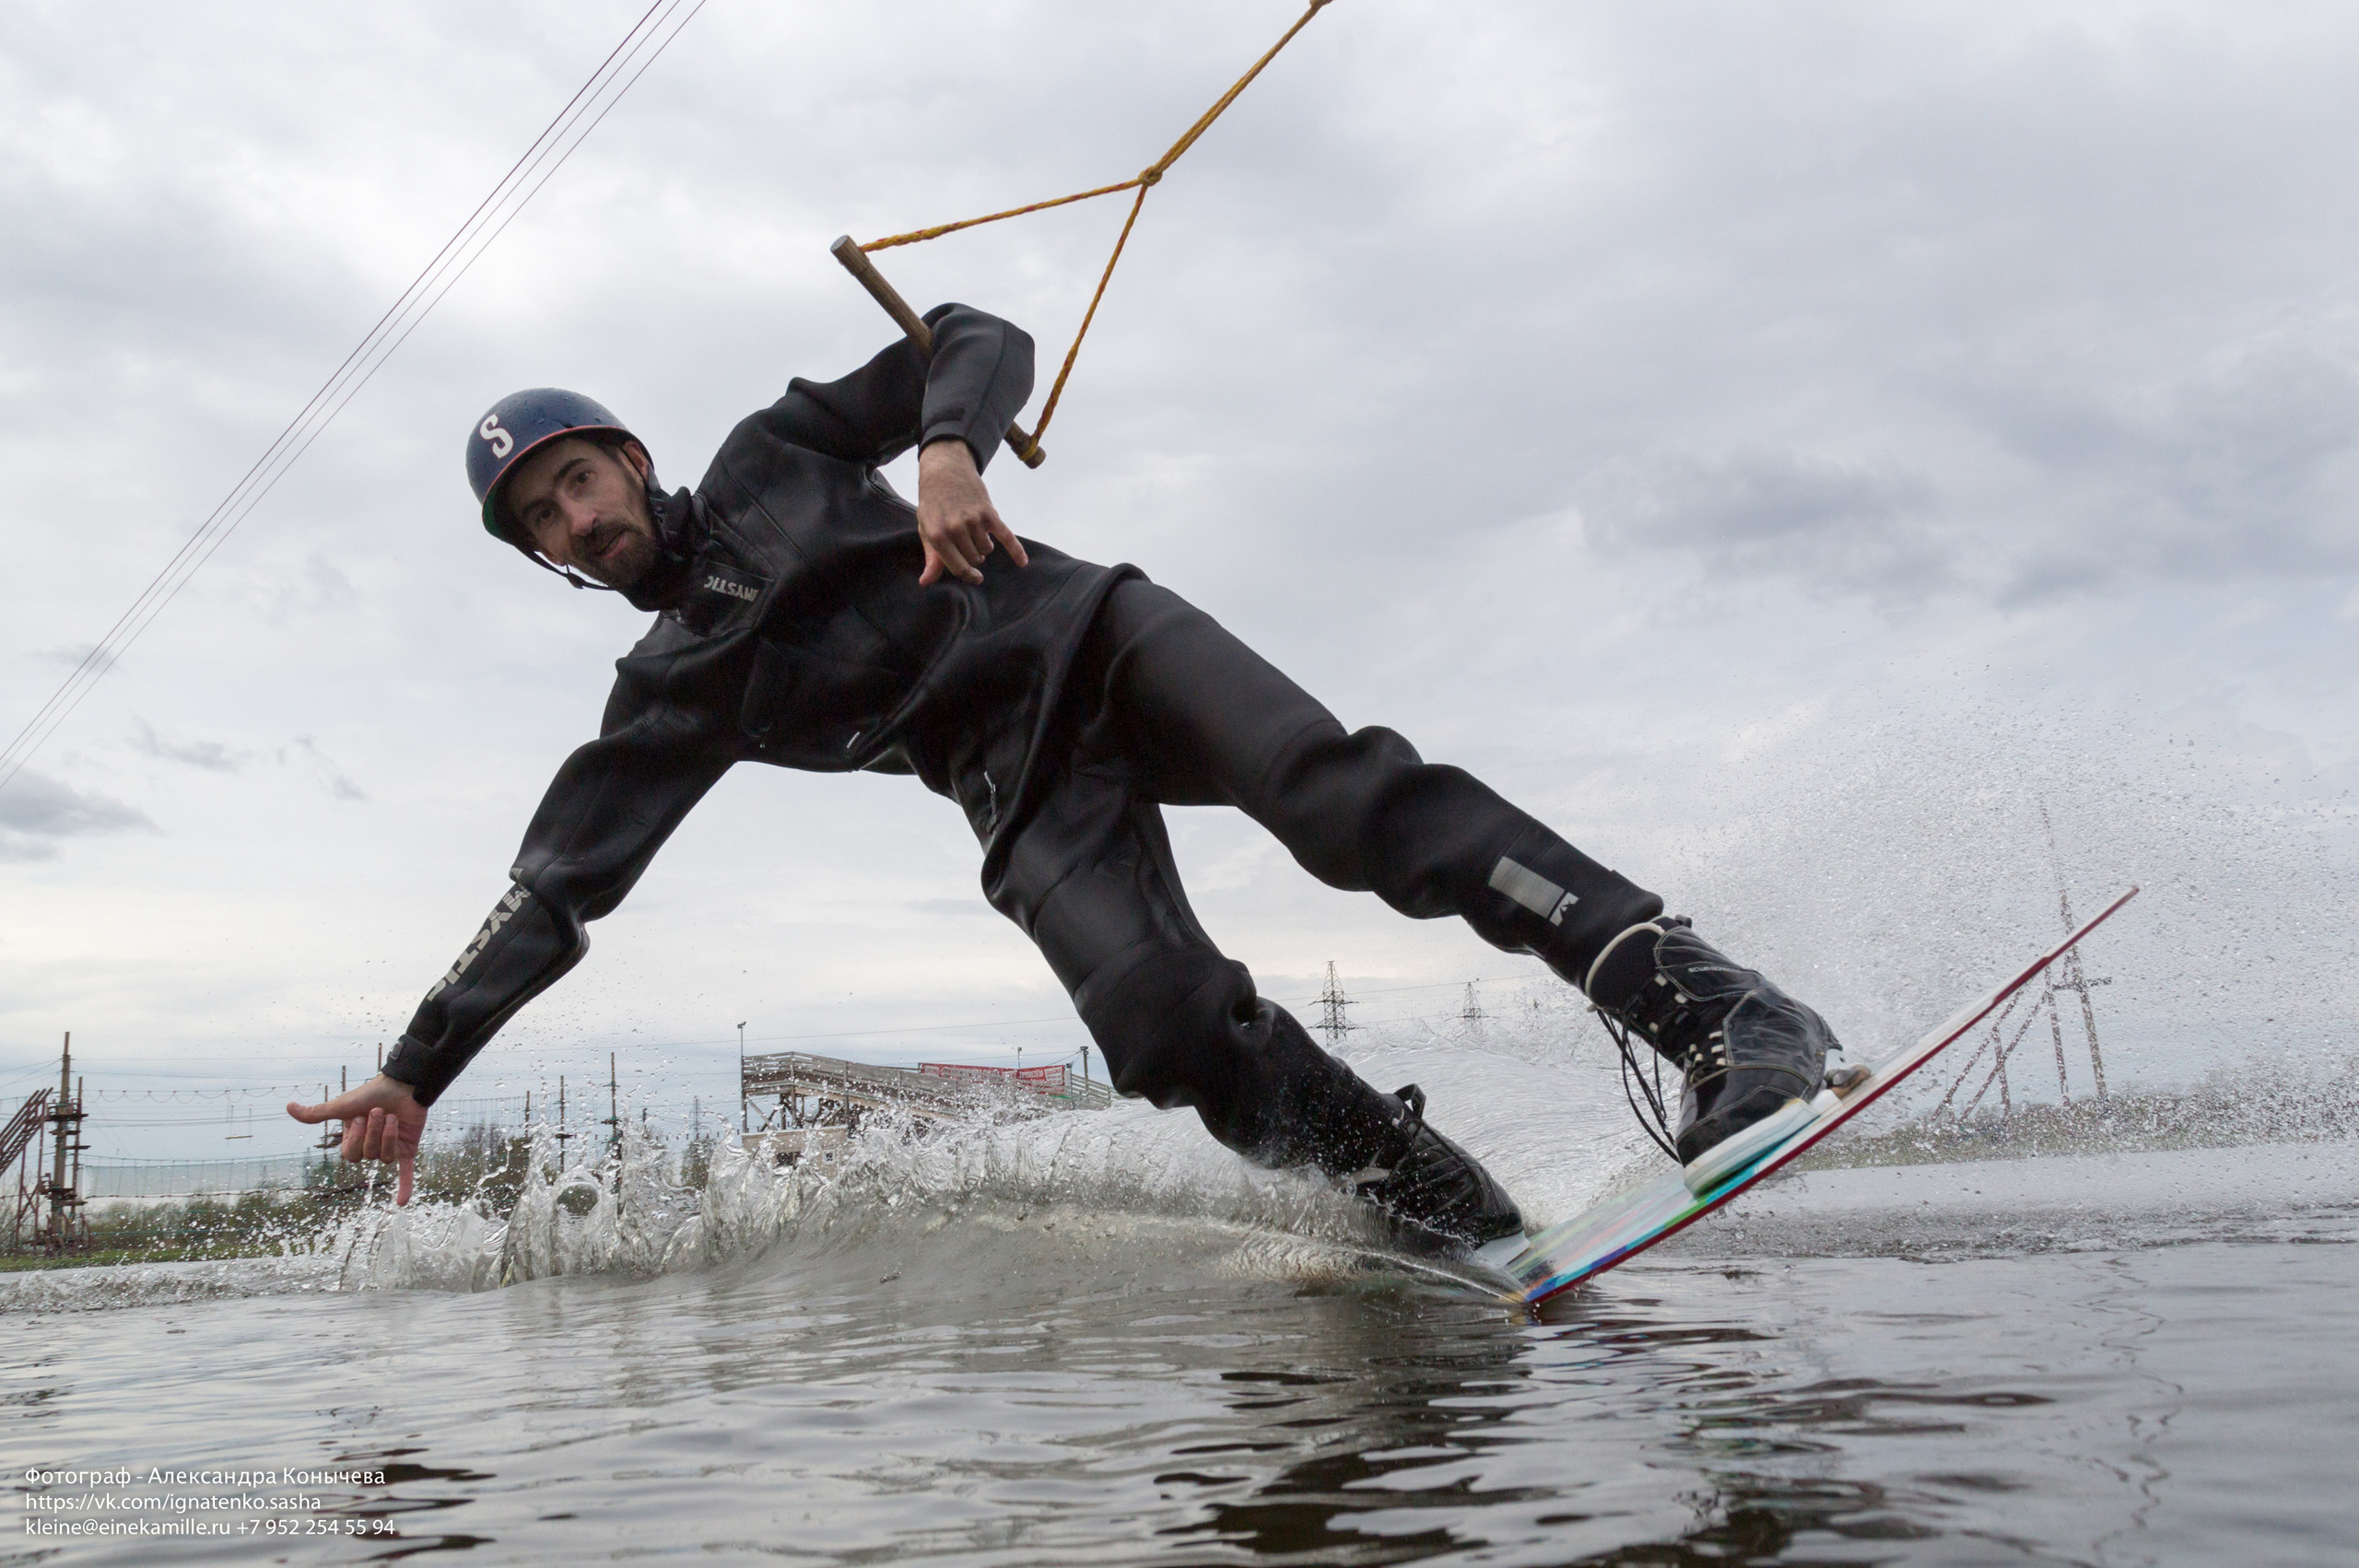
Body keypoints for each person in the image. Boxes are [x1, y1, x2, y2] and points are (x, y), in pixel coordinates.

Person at [287, 303, 1837, 1251]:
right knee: (1161, 1027)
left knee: (1345, 802)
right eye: (543, 522)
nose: (575, 519)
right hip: (1011, 781)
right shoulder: (665, 697)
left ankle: (1729, 1017)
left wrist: (948, 447)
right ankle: (1435, 1205)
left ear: (628, 457)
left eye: (576, 479)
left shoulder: (775, 453)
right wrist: (418, 1068)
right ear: (547, 557)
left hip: (1093, 638)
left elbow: (974, 336)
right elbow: (549, 892)